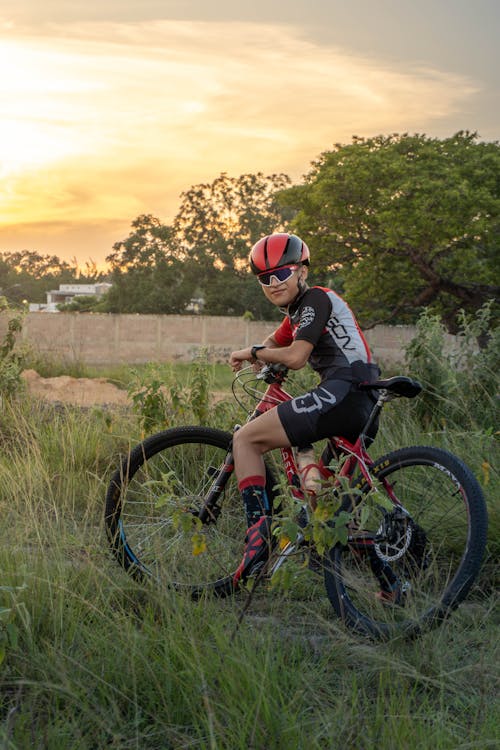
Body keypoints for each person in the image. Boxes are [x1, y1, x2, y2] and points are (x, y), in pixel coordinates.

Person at [229, 232, 386, 589]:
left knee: (246, 440)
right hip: (361, 400)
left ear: (301, 270)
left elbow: (296, 356)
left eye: (282, 273)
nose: (274, 283)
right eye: (265, 278)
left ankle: (258, 534)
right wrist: (266, 354)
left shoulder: (316, 299)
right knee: (326, 508)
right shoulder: (298, 312)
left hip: (343, 392)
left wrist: (252, 354)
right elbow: (275, 341)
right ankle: (388, 581)